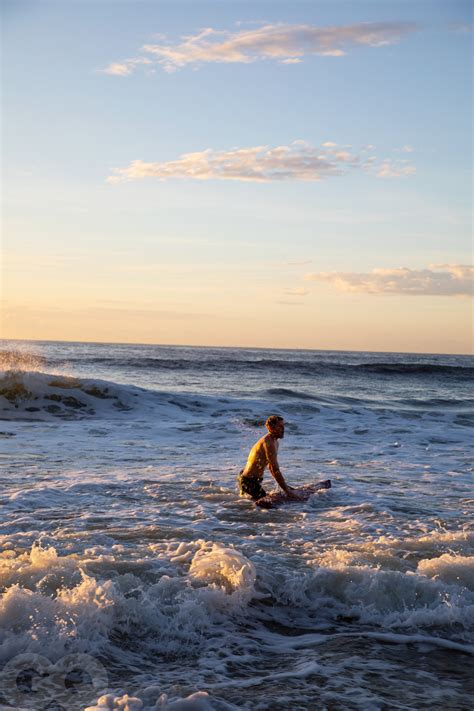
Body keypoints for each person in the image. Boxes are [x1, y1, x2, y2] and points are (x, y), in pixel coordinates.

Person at [238, 415, 300, 501]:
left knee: (254, 503)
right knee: (265, 505)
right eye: (280, 426)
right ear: (271, 428)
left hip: (253, 479)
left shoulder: (275, 441)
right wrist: (287, 491)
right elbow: (274, 469)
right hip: (248, 481)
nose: (283, 429)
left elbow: (271, 467)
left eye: (283, 426)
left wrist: (285, 487)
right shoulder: (268, 443)